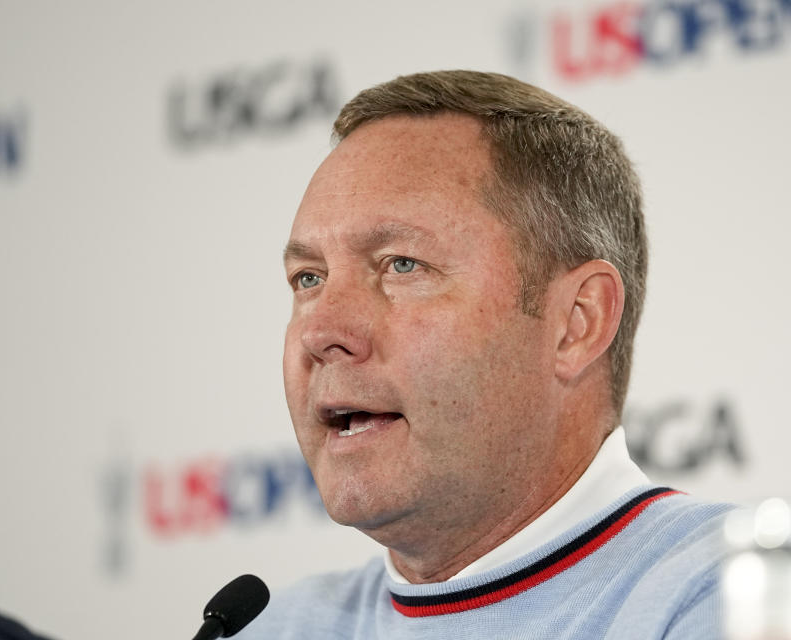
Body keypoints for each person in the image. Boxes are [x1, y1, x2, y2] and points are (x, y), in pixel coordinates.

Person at [240, 70, 732, 639]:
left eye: (402, 265)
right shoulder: (270, 627)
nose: (320, 330)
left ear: (577, 323)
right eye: (308, 278)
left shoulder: (740, 601)